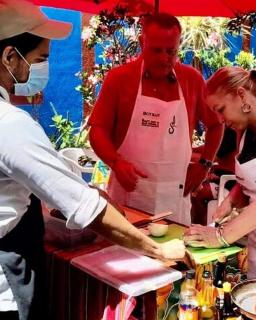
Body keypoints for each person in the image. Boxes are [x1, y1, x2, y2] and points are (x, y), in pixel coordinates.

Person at [0, 1, 185, 319]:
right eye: (40, 58)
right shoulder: (10, 124)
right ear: (9, 57)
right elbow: (84, 205)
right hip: (8, 281)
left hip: (174, 196)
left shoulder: (190, 79)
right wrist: (157, 250)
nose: (44, 67)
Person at [89, 13, 223, 225]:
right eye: (156, 50)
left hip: (175, 196)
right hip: (129, 194)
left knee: (173, 253)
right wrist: (115, 162)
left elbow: (216, 124)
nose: (164, 58)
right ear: (143, 42)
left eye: (171, 51)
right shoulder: (119, 78)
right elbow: (97, 131)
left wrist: (205, 165)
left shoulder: (191, 80)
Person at [184, 66, 256, 284]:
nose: (219, 119)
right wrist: (231, 200)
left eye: (221, 109)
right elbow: (252, 181)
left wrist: (220, 236)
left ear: (241, 95)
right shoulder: (243, 131)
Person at [191, 127, 237, 225]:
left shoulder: (231, 132)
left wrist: (188, 154)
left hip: (229, 181)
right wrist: (190, 150)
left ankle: (200, 225)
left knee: (198, 192)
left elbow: (212, 155)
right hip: (219, 176)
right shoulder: (226, 129)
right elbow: (209, 147)